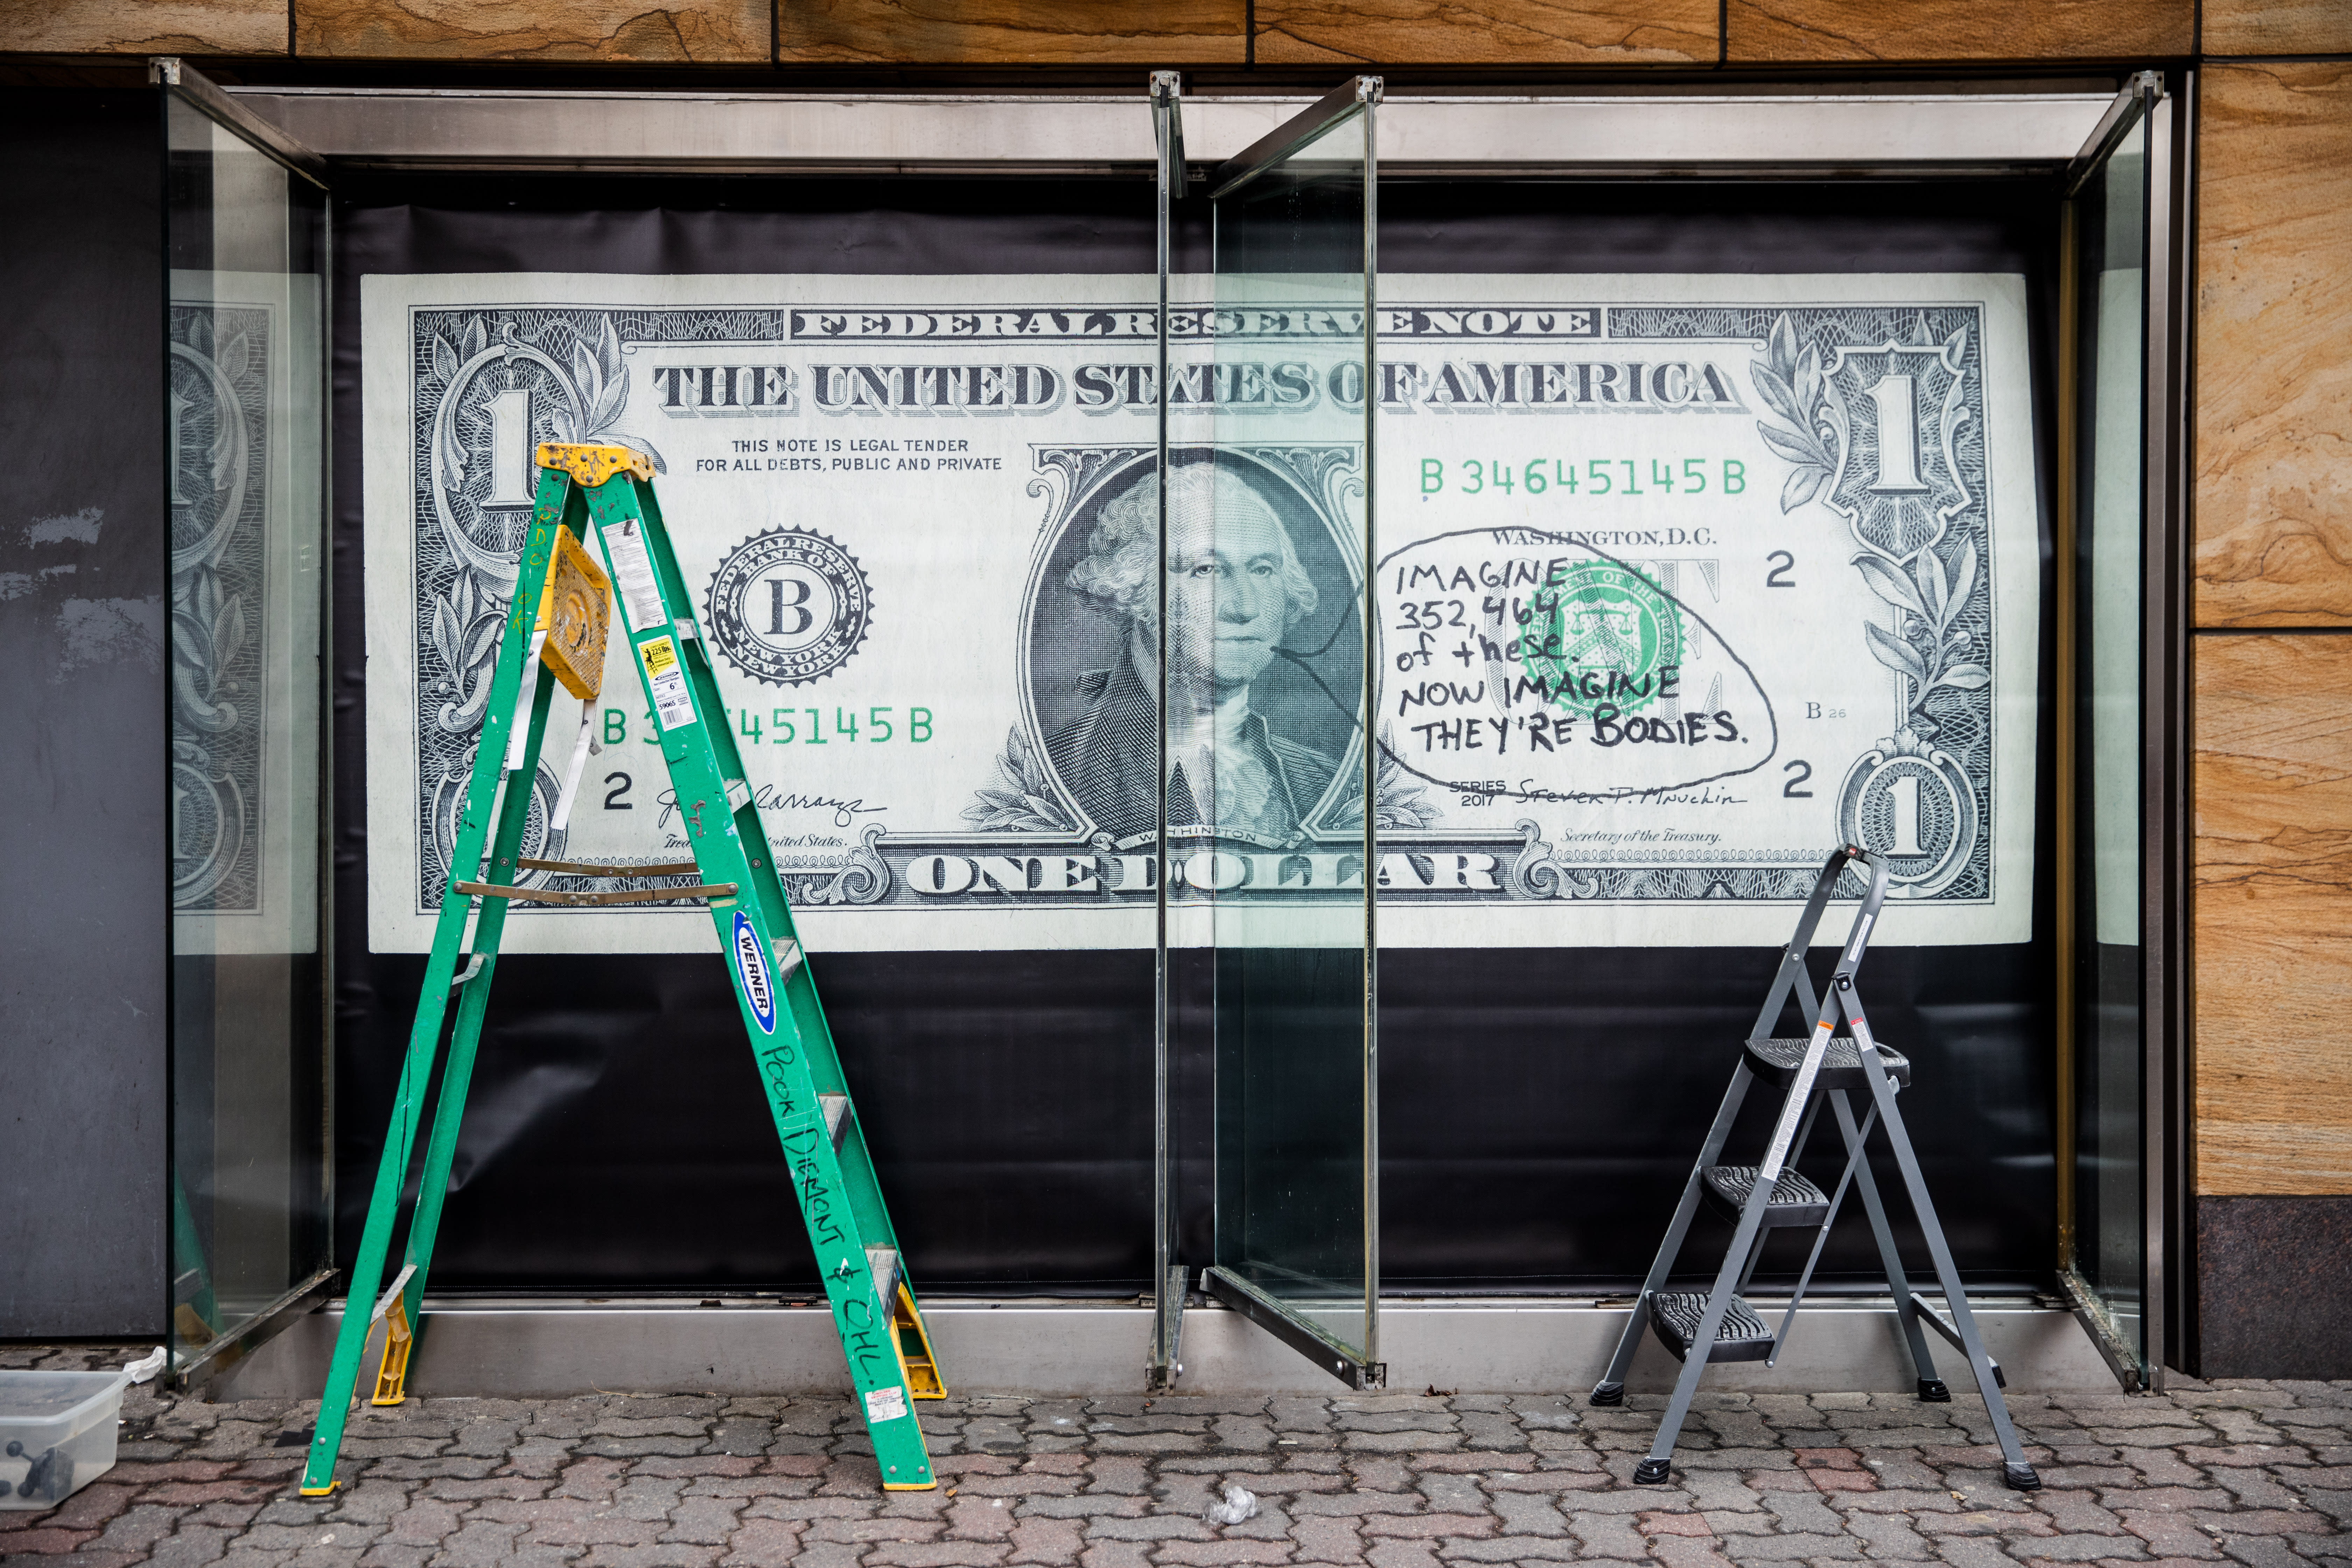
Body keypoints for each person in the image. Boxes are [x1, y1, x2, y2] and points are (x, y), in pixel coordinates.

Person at [1050, 460, 1340, 845]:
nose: (1244, 608)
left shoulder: (1324, 781)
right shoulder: (1053, 775)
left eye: (1263, 570)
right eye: (1207, 569)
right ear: (1134, 587)